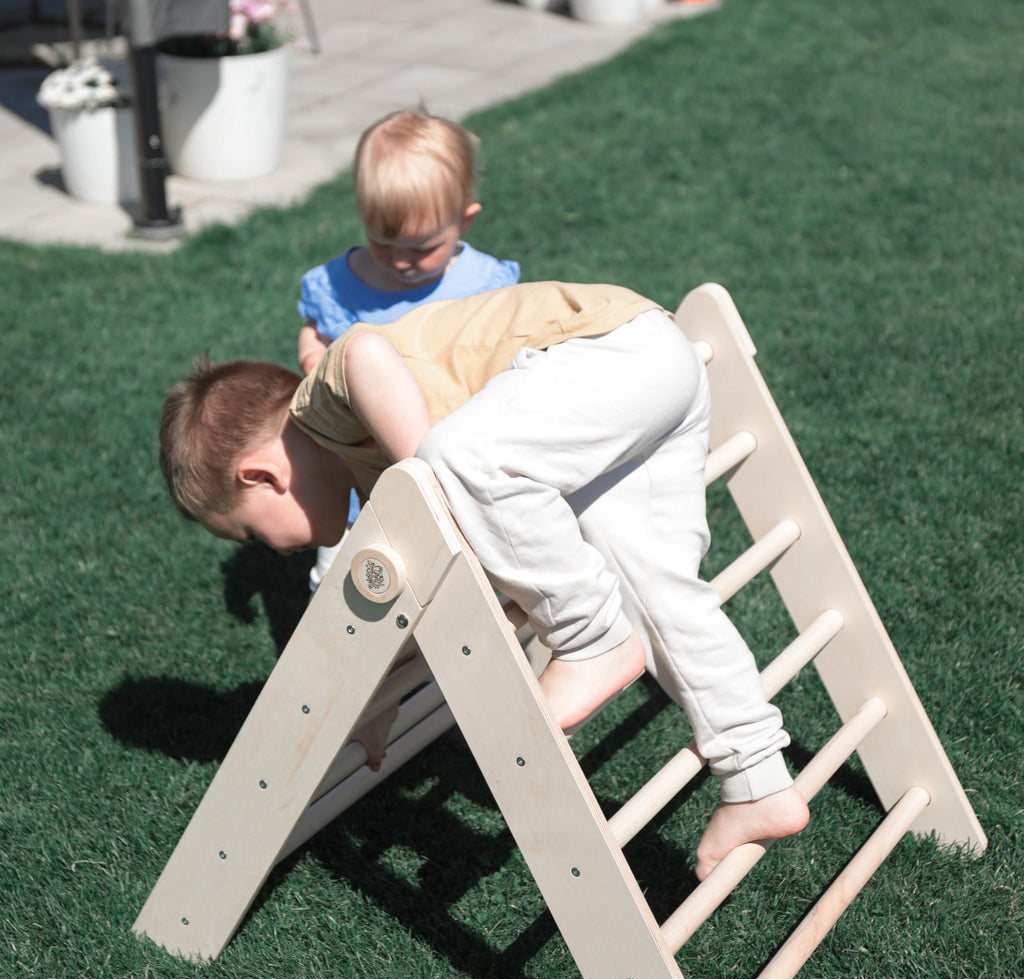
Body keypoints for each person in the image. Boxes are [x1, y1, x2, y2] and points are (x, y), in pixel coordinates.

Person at [160, 281, 810, 880]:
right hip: (656, 379)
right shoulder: (367, 480)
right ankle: (758, 774)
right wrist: (373, 706)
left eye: (248, 533)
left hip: (615, 353)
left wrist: (434, 486)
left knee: (448, 463)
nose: (267, 551)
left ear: (262, 476)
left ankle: (590, 641)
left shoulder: (322, 403)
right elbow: (371, 604)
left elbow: (364, 352)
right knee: (658, 592)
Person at [294, 107, 520, 592]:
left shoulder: (481, 283)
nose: (401, 262)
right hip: (362, 477)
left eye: (422, 248)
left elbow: (506, 344)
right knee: (342, 581)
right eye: (382, 242)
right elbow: (316, 331)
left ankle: (441, 664)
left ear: (465, 220)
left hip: (458, 469)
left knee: (454, 581)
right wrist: (314, 359)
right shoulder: (340, 285)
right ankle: (342, 661)